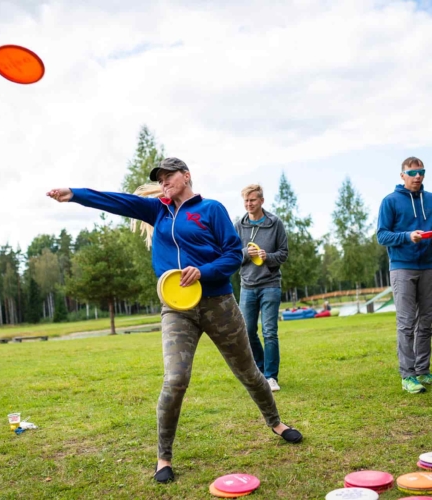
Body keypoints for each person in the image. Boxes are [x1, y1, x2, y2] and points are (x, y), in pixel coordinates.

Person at [47, 158, 302, 483]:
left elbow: (233, 253)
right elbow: (118, 201)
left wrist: (204, 271)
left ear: (186, 176)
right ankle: (163, 458)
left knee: (250, 372)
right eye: (160, 178)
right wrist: (75, 194)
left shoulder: (211, 209)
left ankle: (277, 423)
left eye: (169, 176)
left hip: (218, 302)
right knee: (175, 380)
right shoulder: (157, 211)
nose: (164, 181)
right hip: (177, 308)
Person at [377, 156, 432, 394]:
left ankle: (422, 370)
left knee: (427, 321)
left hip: (428, 266)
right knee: (407, 323)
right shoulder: (390, 202)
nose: (418, 176)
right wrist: (407, 236)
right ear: (402, 176)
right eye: (412, 172)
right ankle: (408, 375)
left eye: (421, 171)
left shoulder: (430, 199)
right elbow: (382, 236)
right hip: (402, 266)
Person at [234, 184, 288, 392]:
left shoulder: (275, 223)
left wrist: (268, 257)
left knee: (270, 332)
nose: (249, 204)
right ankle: (260, 369)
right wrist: (248, 254)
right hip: (247, 286)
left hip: (270, 285)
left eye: (253, 200)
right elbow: (232, 255)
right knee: (247, 331)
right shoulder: (239, 225)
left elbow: (283, 253)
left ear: (261, 201)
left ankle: (271, 377)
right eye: (246, 201)